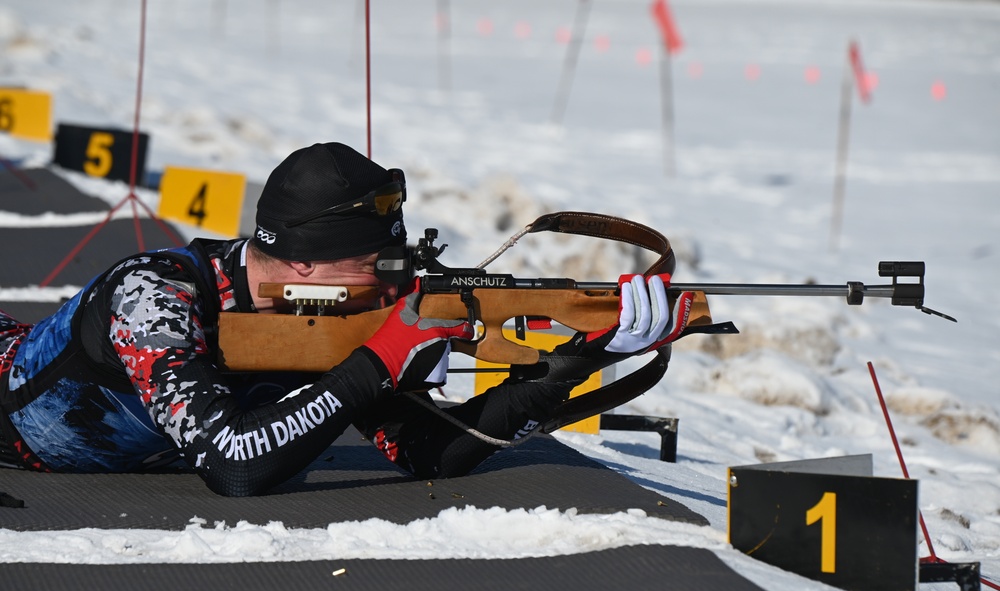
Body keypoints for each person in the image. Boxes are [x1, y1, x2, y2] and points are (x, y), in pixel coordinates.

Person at [0, 142, 691, 496]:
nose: (390, 285)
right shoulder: (153, 296)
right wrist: (379, 362)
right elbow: (233, 466)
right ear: (301, 263)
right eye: (377, 266)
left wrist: (583, 359)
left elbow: (431, 453)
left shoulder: (330, 308)